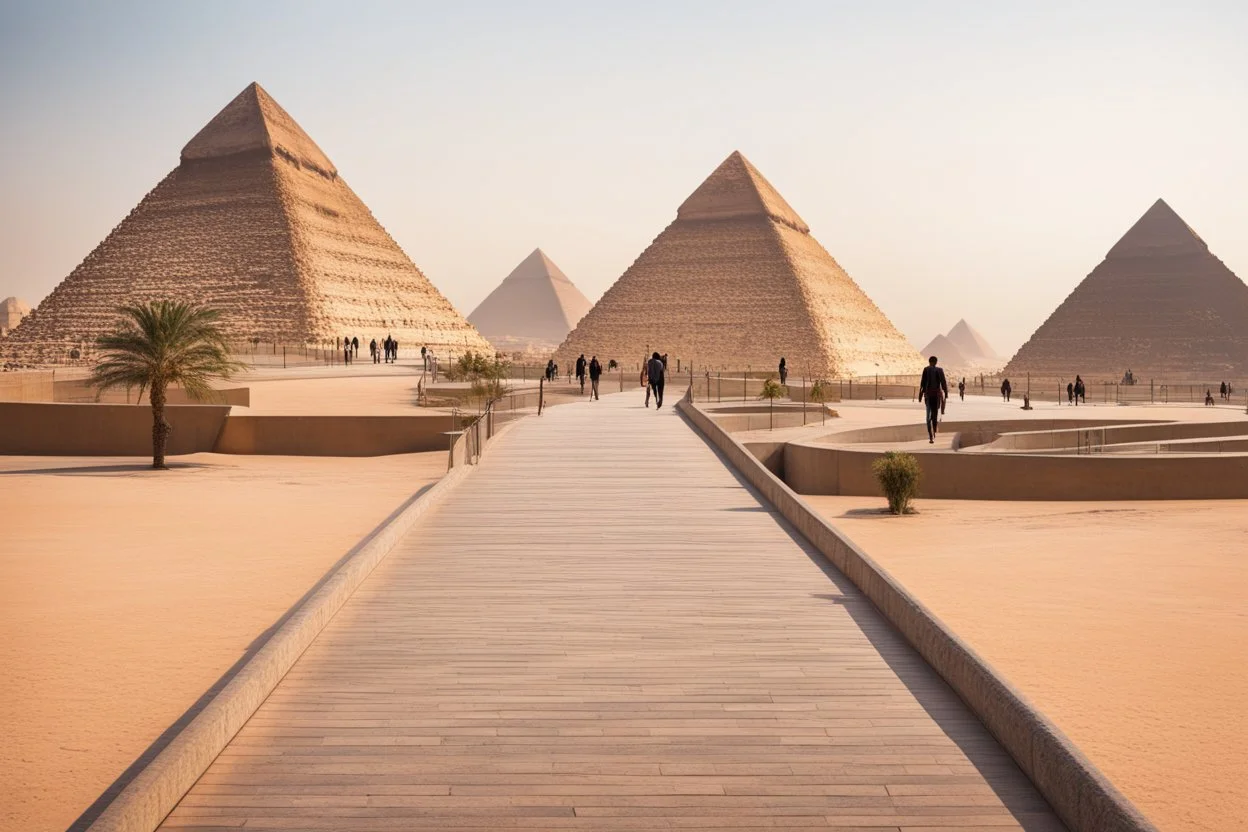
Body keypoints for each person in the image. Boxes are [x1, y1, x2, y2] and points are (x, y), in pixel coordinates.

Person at [918, 355, 948, 444]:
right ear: (935, 362)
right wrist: (946, 393)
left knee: (929, 417)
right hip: (934, 396)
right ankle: (933, 434)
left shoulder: (928, 370)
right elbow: (943, 383)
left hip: (930, 396)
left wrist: (920, 394)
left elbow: (922, 383)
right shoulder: (934, 370)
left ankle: (931, 435)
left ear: (930, 361)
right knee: (933, 416)